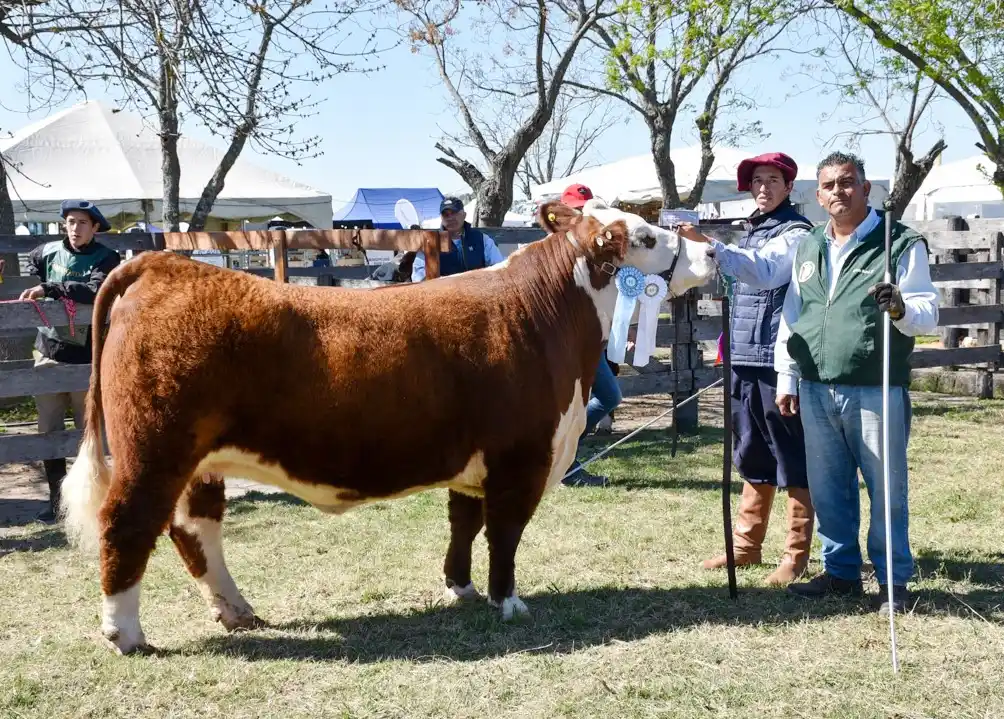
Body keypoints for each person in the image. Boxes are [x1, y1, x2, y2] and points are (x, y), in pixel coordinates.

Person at [775, 151, 938, 614]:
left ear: (866, 189)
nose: (838, 192)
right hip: (815, 386)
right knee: (828, 488)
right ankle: (841, 573)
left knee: (886, 489)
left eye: (847, 182)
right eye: (829, 185)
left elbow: (928, 311)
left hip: (875, 387)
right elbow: (794, 314)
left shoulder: (898, 242)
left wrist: (900, 307)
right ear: (817, 194)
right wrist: (787, 375)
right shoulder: (809, 245)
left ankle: (892, 581)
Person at [677, 152, 815, 586]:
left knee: (791, 453)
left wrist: (710, 244)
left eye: (773, 180)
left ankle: (796, 554)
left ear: (788, 187)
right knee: (751, 448)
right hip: (744, 355)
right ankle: (746, 545)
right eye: (757, 180)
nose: (763, 188)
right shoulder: (753, 230)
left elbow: (766, 272)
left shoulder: (797, 233)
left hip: (778, 358)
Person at [22, 200, 121, 522]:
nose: (75, 228)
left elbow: (94, 290)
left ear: (95, 227)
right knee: (48, 430)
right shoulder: (44, 253)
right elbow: (31, 279)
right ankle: (55, 501)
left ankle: (91, 500)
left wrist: (50, 287)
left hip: (85, 357)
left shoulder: (107, 257)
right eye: (70, 221)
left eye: (82, 223)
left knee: (86, 431)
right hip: (49, 352)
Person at [557, 184, 625, 488]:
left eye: (584, 209)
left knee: (609, 396)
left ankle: (562, 454)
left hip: (589, 341)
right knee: (570, 406)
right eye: (574, 209)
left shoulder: (597, 250)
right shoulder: (552, 251)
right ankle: (566, 466)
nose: (579, 215)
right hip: (561, 344)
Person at [410, 197, 504, 281]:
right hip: (443, 293)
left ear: (464, 215)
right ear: (441, 218)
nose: (450, 218)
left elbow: (499, 269)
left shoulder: (482, 239)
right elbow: (419, 278)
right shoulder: (430, 243)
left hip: (477, 291)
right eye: (446, 215)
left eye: (454, 213)